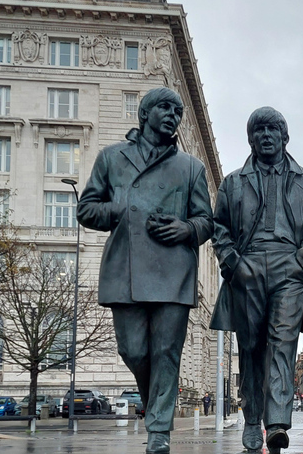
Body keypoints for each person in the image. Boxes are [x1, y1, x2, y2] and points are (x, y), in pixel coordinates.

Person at [77, 87, 213, 454]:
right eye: (166, 108)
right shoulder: (111, 158)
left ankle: (158, 432)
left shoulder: (190, 167)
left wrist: (187, 229)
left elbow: (207, 221)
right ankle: (155, 403)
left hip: (173, 270)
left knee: (167, 351)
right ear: (145, 113)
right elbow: (86, 209)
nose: (173, 115)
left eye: (178, 111)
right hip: (126, 268)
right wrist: (119, 209)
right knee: (133, 350)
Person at [210, 106, 303, 452]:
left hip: (289, 268)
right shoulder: (233, 182)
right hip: (246, 267)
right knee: (250, 347)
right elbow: (220, 228)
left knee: (282, 344)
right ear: (251, 138)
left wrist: (301, 261)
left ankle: (275, 423)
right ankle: (251, 419)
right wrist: (233, 263)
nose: (265, 135)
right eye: (258, 130)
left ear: (284, 137)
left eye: (273, 129)